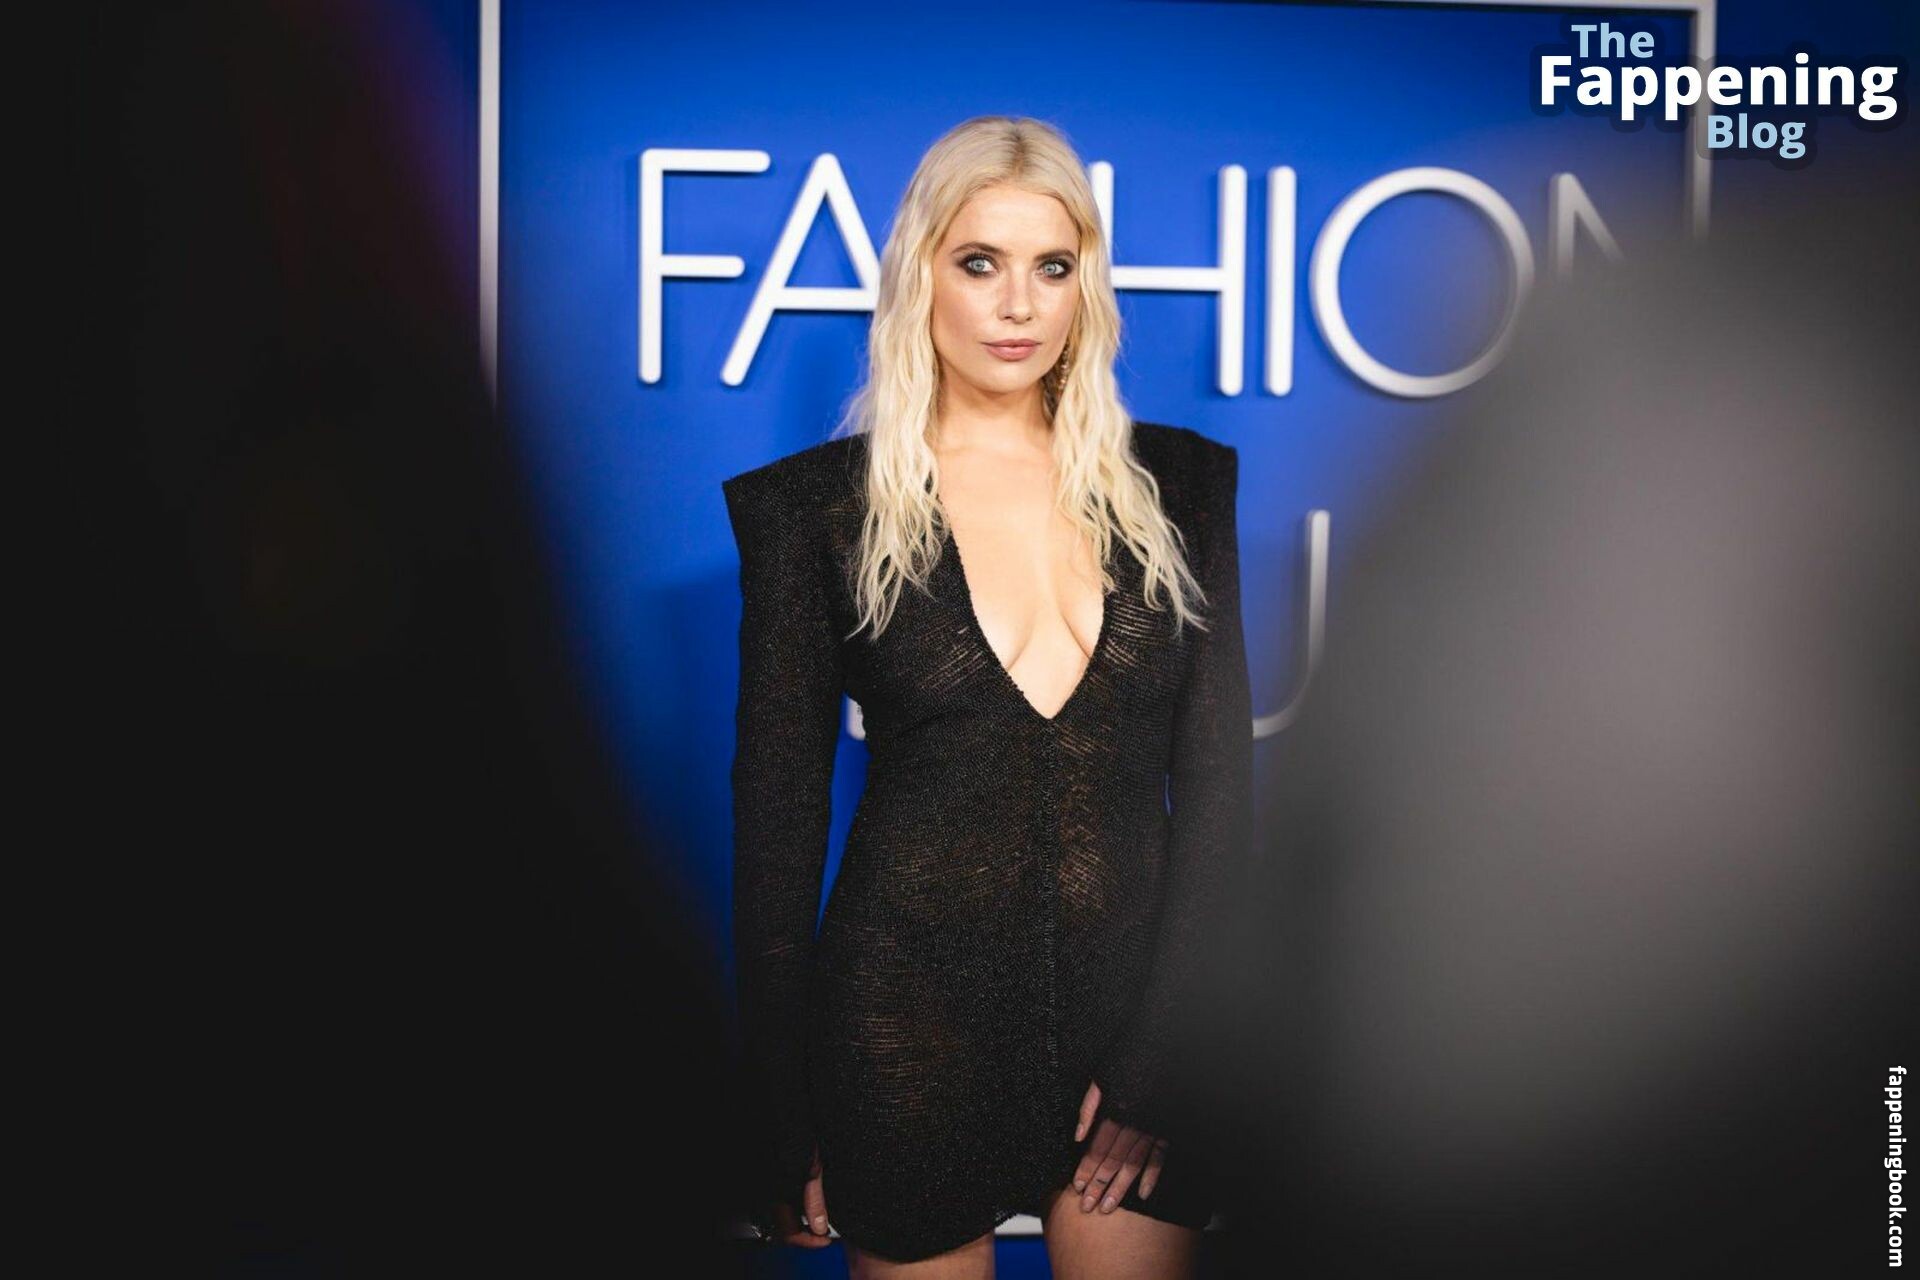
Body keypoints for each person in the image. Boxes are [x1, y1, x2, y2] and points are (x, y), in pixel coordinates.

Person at [722, 115, 1253, 1277]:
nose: (1018, 304)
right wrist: (779, 1102)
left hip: (1140, 1031)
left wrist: (1166, 1058)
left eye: (1052, 266)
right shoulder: (815, 510)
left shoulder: (1181, 486)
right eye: (980, 262)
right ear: (923, 272)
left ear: (1084, 286)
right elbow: (777, 825)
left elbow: (1224, 794)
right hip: (907, 1026)